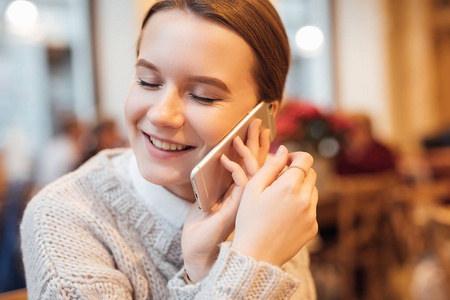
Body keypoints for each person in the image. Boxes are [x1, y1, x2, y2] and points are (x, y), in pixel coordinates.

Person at [20, 0, 319, 299]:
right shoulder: (64, 216)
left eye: (203, 96)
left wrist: (202, 269)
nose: (161, 114)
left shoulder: (275, 202)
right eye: (147, 81)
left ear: (264, 117)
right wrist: (256, 257)